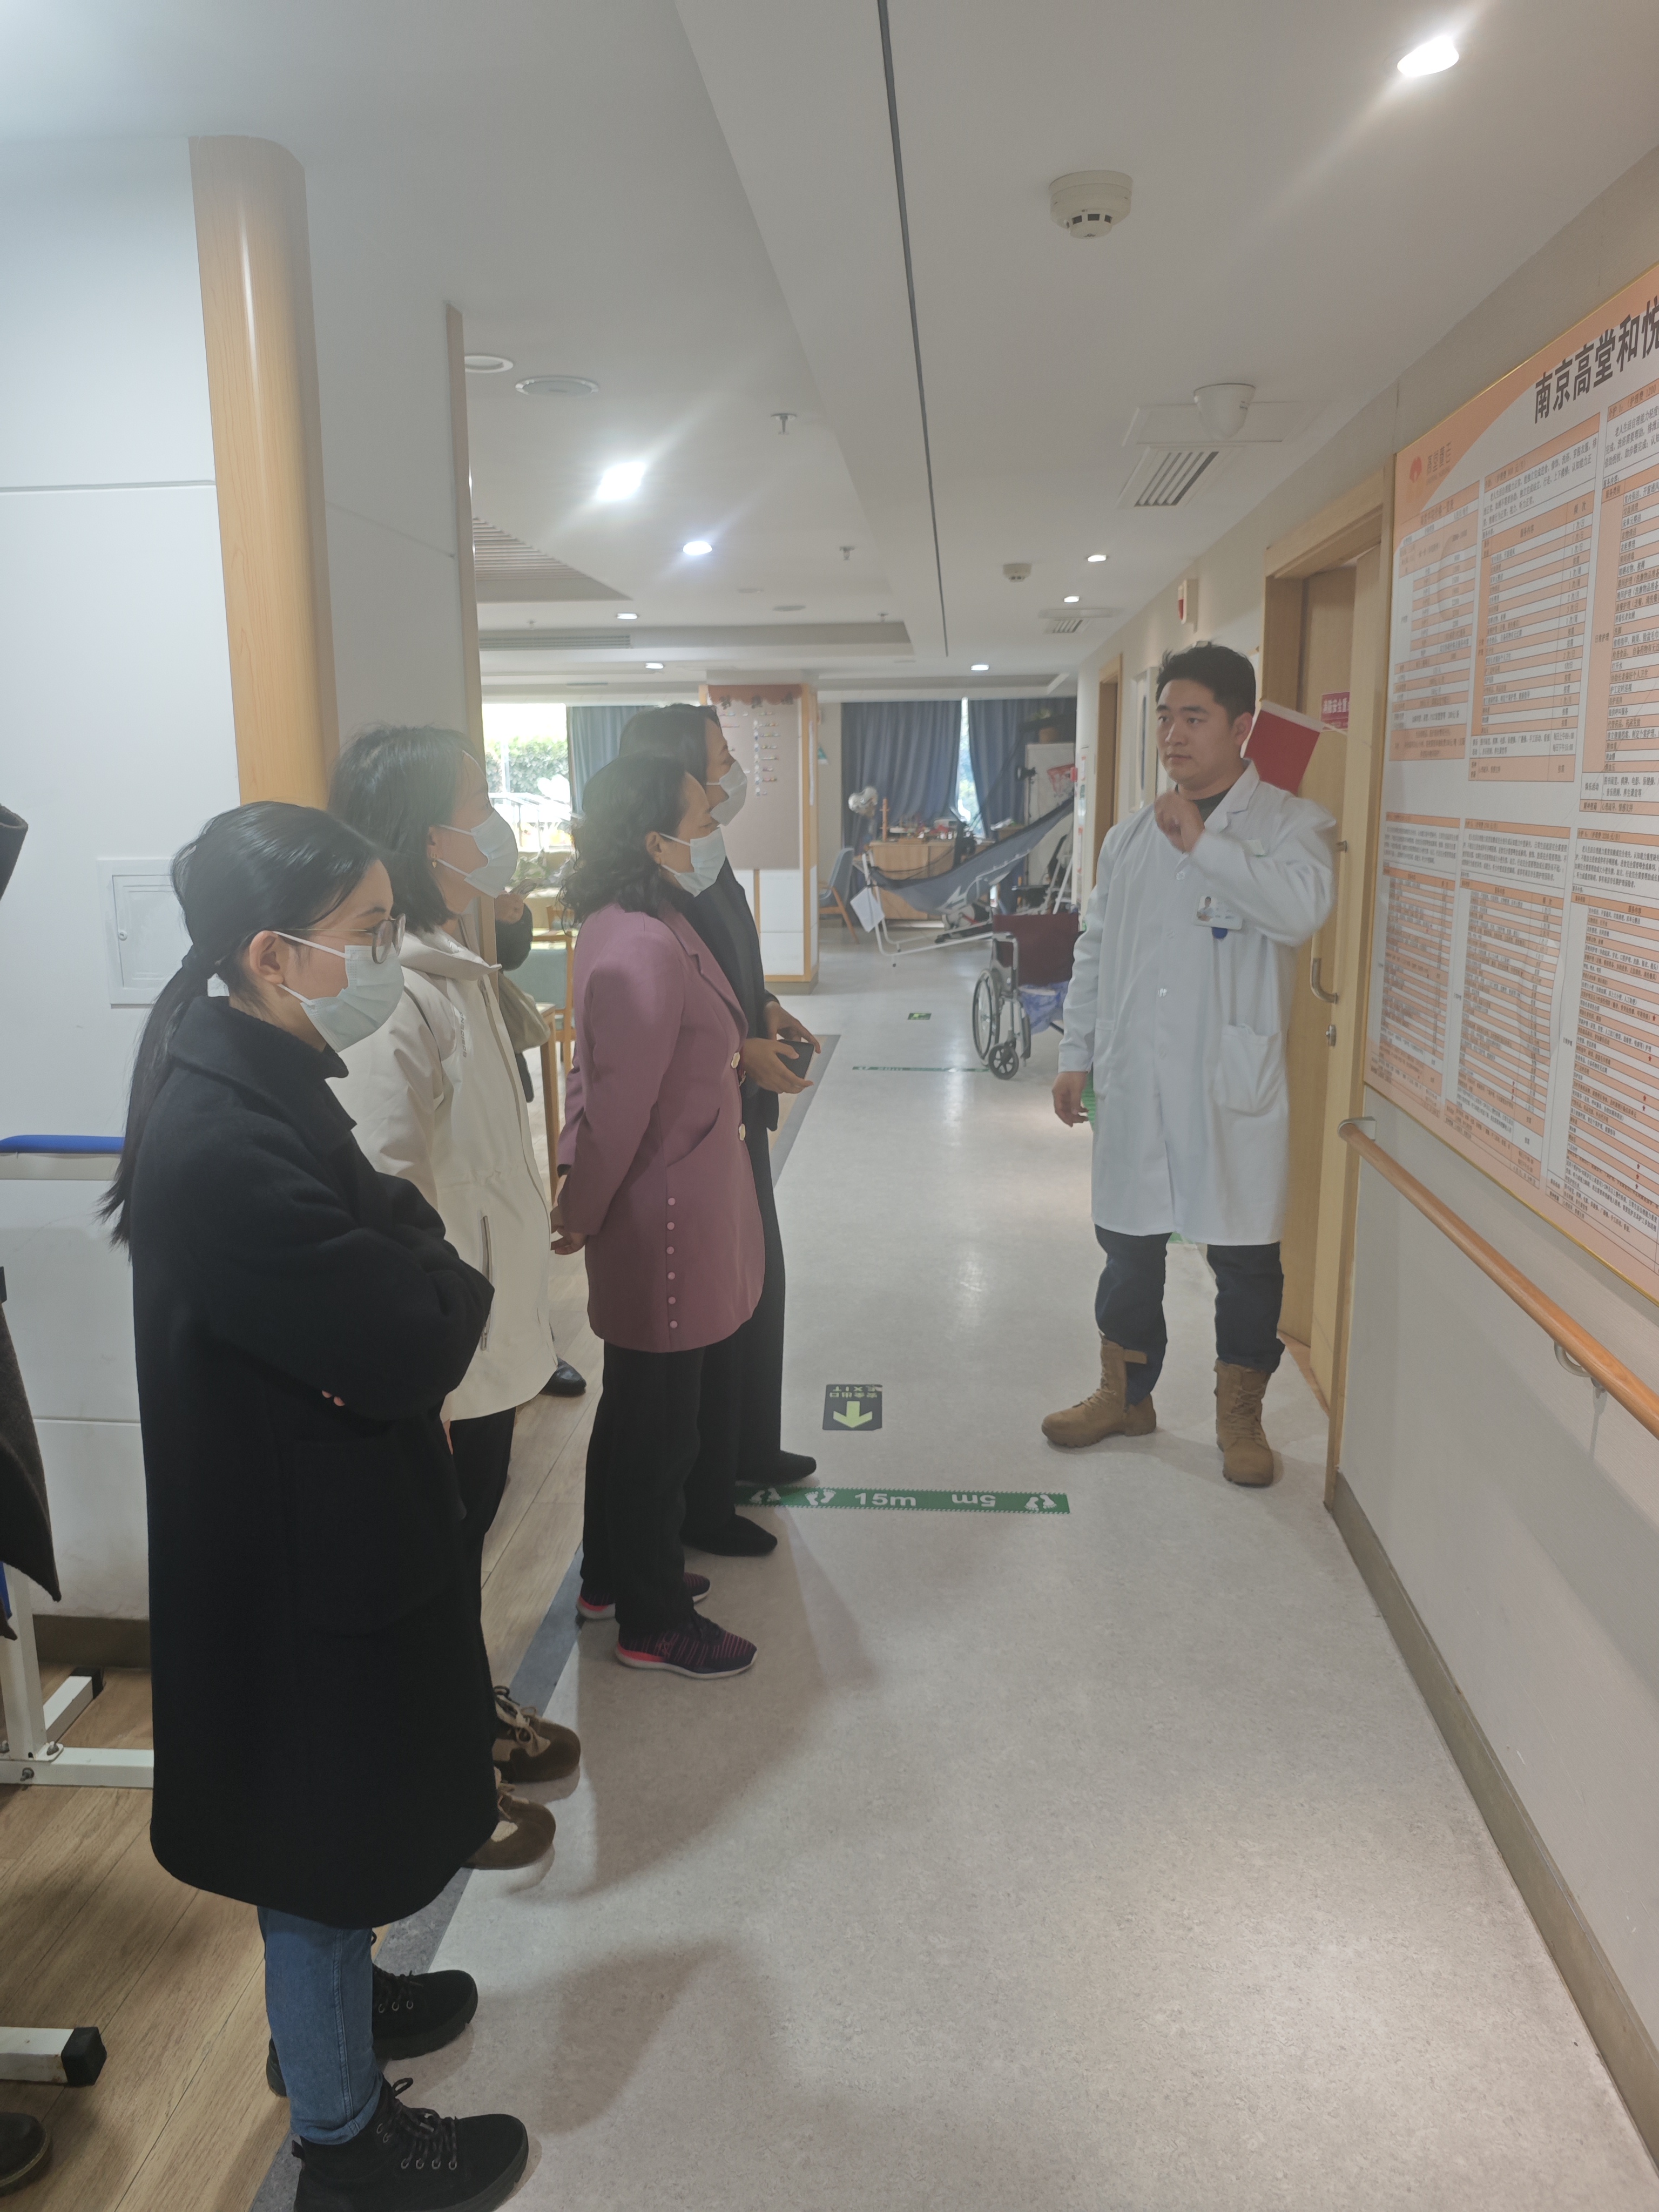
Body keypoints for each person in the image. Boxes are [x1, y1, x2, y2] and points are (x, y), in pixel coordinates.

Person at [103, 802, 527, 2212]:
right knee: (318, 1835)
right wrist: (422, 1286)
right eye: (370, 931)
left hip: (319, 1520)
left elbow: (403, 1242)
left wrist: (416, 1274)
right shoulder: (223, 1139)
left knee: (340, 1818)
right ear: (273, 954)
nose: (389, 954)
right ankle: (343, 2137)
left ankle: (340, 2012)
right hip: (292, 1558)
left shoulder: (257, 1072)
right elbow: (412, 1329)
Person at [328, 725, 578, 1858]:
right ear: (425, 833)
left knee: (461, 1550)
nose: (496, 824)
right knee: (432, 1566)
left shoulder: (444, 960)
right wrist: (416, 1366)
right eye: (477, 802)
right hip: (440, 1349)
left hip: (478, 1329)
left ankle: (466, 1718)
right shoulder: (386, 992)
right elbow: (383, 1191)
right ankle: (439, 1787)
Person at [1044, 642, 1336, 1484]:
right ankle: (1125, 1395)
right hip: (1136, 1080)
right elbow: (1096, 949)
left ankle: (1240, 1419)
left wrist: (1206, 843)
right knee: (1127, 1247)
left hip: (1228, 1086)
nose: (1173, 734)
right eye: (1165, 717)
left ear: (1241, 728)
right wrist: (1076, 1052)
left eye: (1194, 718)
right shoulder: (1131, 837)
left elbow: (1299, 912)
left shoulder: (1291, 824)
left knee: (1244, 1258)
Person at [556, 754, 764, 1677]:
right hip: (664, 1218)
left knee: (634, 1408)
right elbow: (614, 1108)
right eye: (700, 817)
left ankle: (611, 1575)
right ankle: (653, 1616)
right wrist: (579, 1207)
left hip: (667, 1204)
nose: (713, 830)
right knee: (661, 1430)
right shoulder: (641, 944)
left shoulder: (636, 920)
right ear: (653, 841)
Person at [615, 702, 820, 1540]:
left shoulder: (707, 857)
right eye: (719, 760)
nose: (733, 773)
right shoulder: (653, 894)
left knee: (755, 1283)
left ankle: (748, 1447)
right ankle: (710, 1489)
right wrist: (742, 1051)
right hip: (699, 1127)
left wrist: (765, 1008)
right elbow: (671, 1026)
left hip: (738, 1107)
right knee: (713, 1307)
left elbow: (733, 967)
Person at [489, 885, 587, 1399]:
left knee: (516, 1206)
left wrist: (508, 917)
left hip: (491, 1046)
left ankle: (534, 1343)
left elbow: (511, 956)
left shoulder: (476, 880)